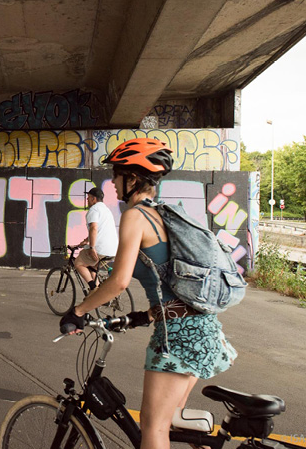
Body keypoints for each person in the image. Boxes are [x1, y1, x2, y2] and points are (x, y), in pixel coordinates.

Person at [60, 138, 237, 449]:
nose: (112, 182)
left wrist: (78, 311)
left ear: (133, 178)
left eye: (117, 174)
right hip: (200, 328)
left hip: (177, 337)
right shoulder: (162, 214)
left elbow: (118, 282)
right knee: (167, 420)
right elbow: (170, 284)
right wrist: (143, 315)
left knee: (152, 428)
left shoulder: (136, 216)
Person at [74, 187, 118, 289]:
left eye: (88, 197)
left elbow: (94, 227)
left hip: (100, 249)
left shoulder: (93, 210)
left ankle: (93, 288)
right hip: (112, 250)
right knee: (92, 267)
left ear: (94, 199)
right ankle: (98, 294)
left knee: (79, 263)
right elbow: (99, 230)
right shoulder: (106, 210)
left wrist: (92, 247)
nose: (87, 200)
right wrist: (87, 240)